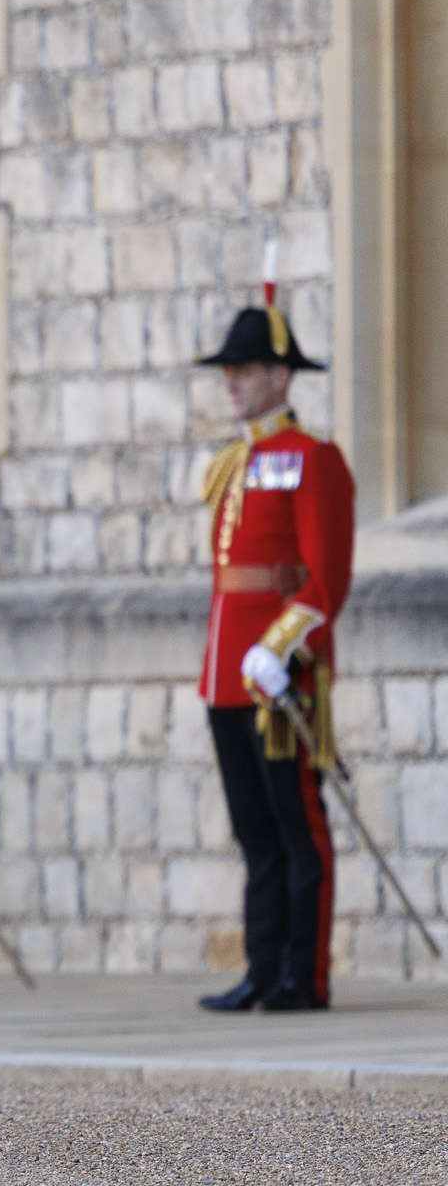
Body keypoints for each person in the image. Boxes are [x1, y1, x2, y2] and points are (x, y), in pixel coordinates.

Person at [192, 266, 352, 1014]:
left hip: (279, 671)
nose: (233, 383)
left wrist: (283, 644)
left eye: (246, 369)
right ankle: (262, 966)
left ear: (281, 375)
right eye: (230, 370)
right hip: (230, 670)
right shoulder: (239, 459)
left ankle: (301, 973)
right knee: (254, 829)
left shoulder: (314, 458)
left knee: (297, 823)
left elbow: (325, 580)